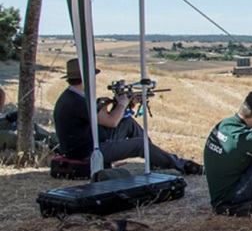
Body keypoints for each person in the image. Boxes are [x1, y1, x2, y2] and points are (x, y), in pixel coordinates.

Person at [52, 59, 201, 174]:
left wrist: (117, 106)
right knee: (140, 144)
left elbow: (101, 119)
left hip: (91, 142)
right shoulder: (77, 101)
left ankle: (154, 158)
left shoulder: (72, 97)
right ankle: (182, 165)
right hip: (89, 152)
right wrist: (122, 104)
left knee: (128, 122)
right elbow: (111, 122)